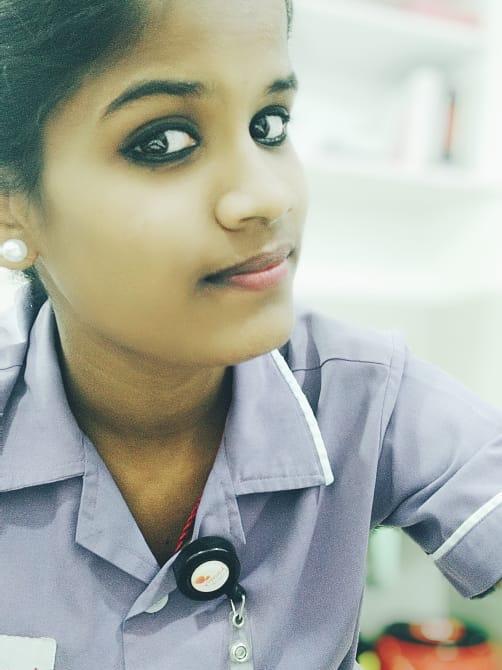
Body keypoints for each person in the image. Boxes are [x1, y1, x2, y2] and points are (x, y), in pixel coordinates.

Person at [0, 1, 500, 669]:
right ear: (12, 203)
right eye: (164, 142)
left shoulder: (367, 395)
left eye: (269, 125)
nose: (267, 197)